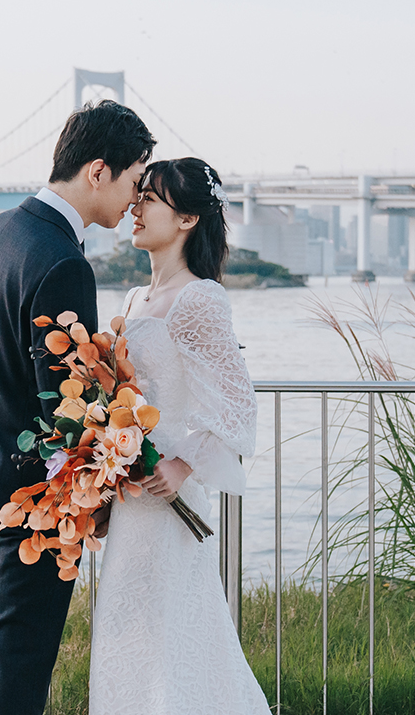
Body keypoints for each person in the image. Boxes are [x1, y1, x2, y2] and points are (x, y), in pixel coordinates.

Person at [0, 100, 155, 715]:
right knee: (21, 655)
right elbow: (69, 406)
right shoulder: (63, 261)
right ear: (97, 171)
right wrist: (91, 493)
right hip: (37, 500)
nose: (134, 200)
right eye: (135, 180)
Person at [89, 157, 268, 714]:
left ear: (188, 218)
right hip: (129, 490)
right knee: (128, 629)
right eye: (136, 195)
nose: (135, 208)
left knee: (175, 630)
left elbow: (238, 406)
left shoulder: (201, 299)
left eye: (150, 200)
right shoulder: (134, 300)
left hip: (167, 492)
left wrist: (182, 465)